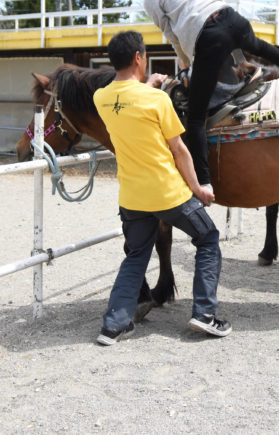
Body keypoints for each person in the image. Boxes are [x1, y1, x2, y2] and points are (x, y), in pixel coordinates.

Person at [128, 0, 279, 192]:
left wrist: (185, 65)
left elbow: (172, 36)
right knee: (261, 47)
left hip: (209, 37)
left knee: (195, 118)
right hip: (233, 20)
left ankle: (204, 182)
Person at [92, 30, 230, 345]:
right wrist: (198, 188)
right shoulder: (157, 99)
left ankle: (114, 325)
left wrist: (146, 86)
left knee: (136, 254)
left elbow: (126, 100)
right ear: (139, 58)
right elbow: (180, 150)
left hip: (132, 197)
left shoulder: (101, 98)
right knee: (207, 237)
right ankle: (204, 314)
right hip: (168, 194)